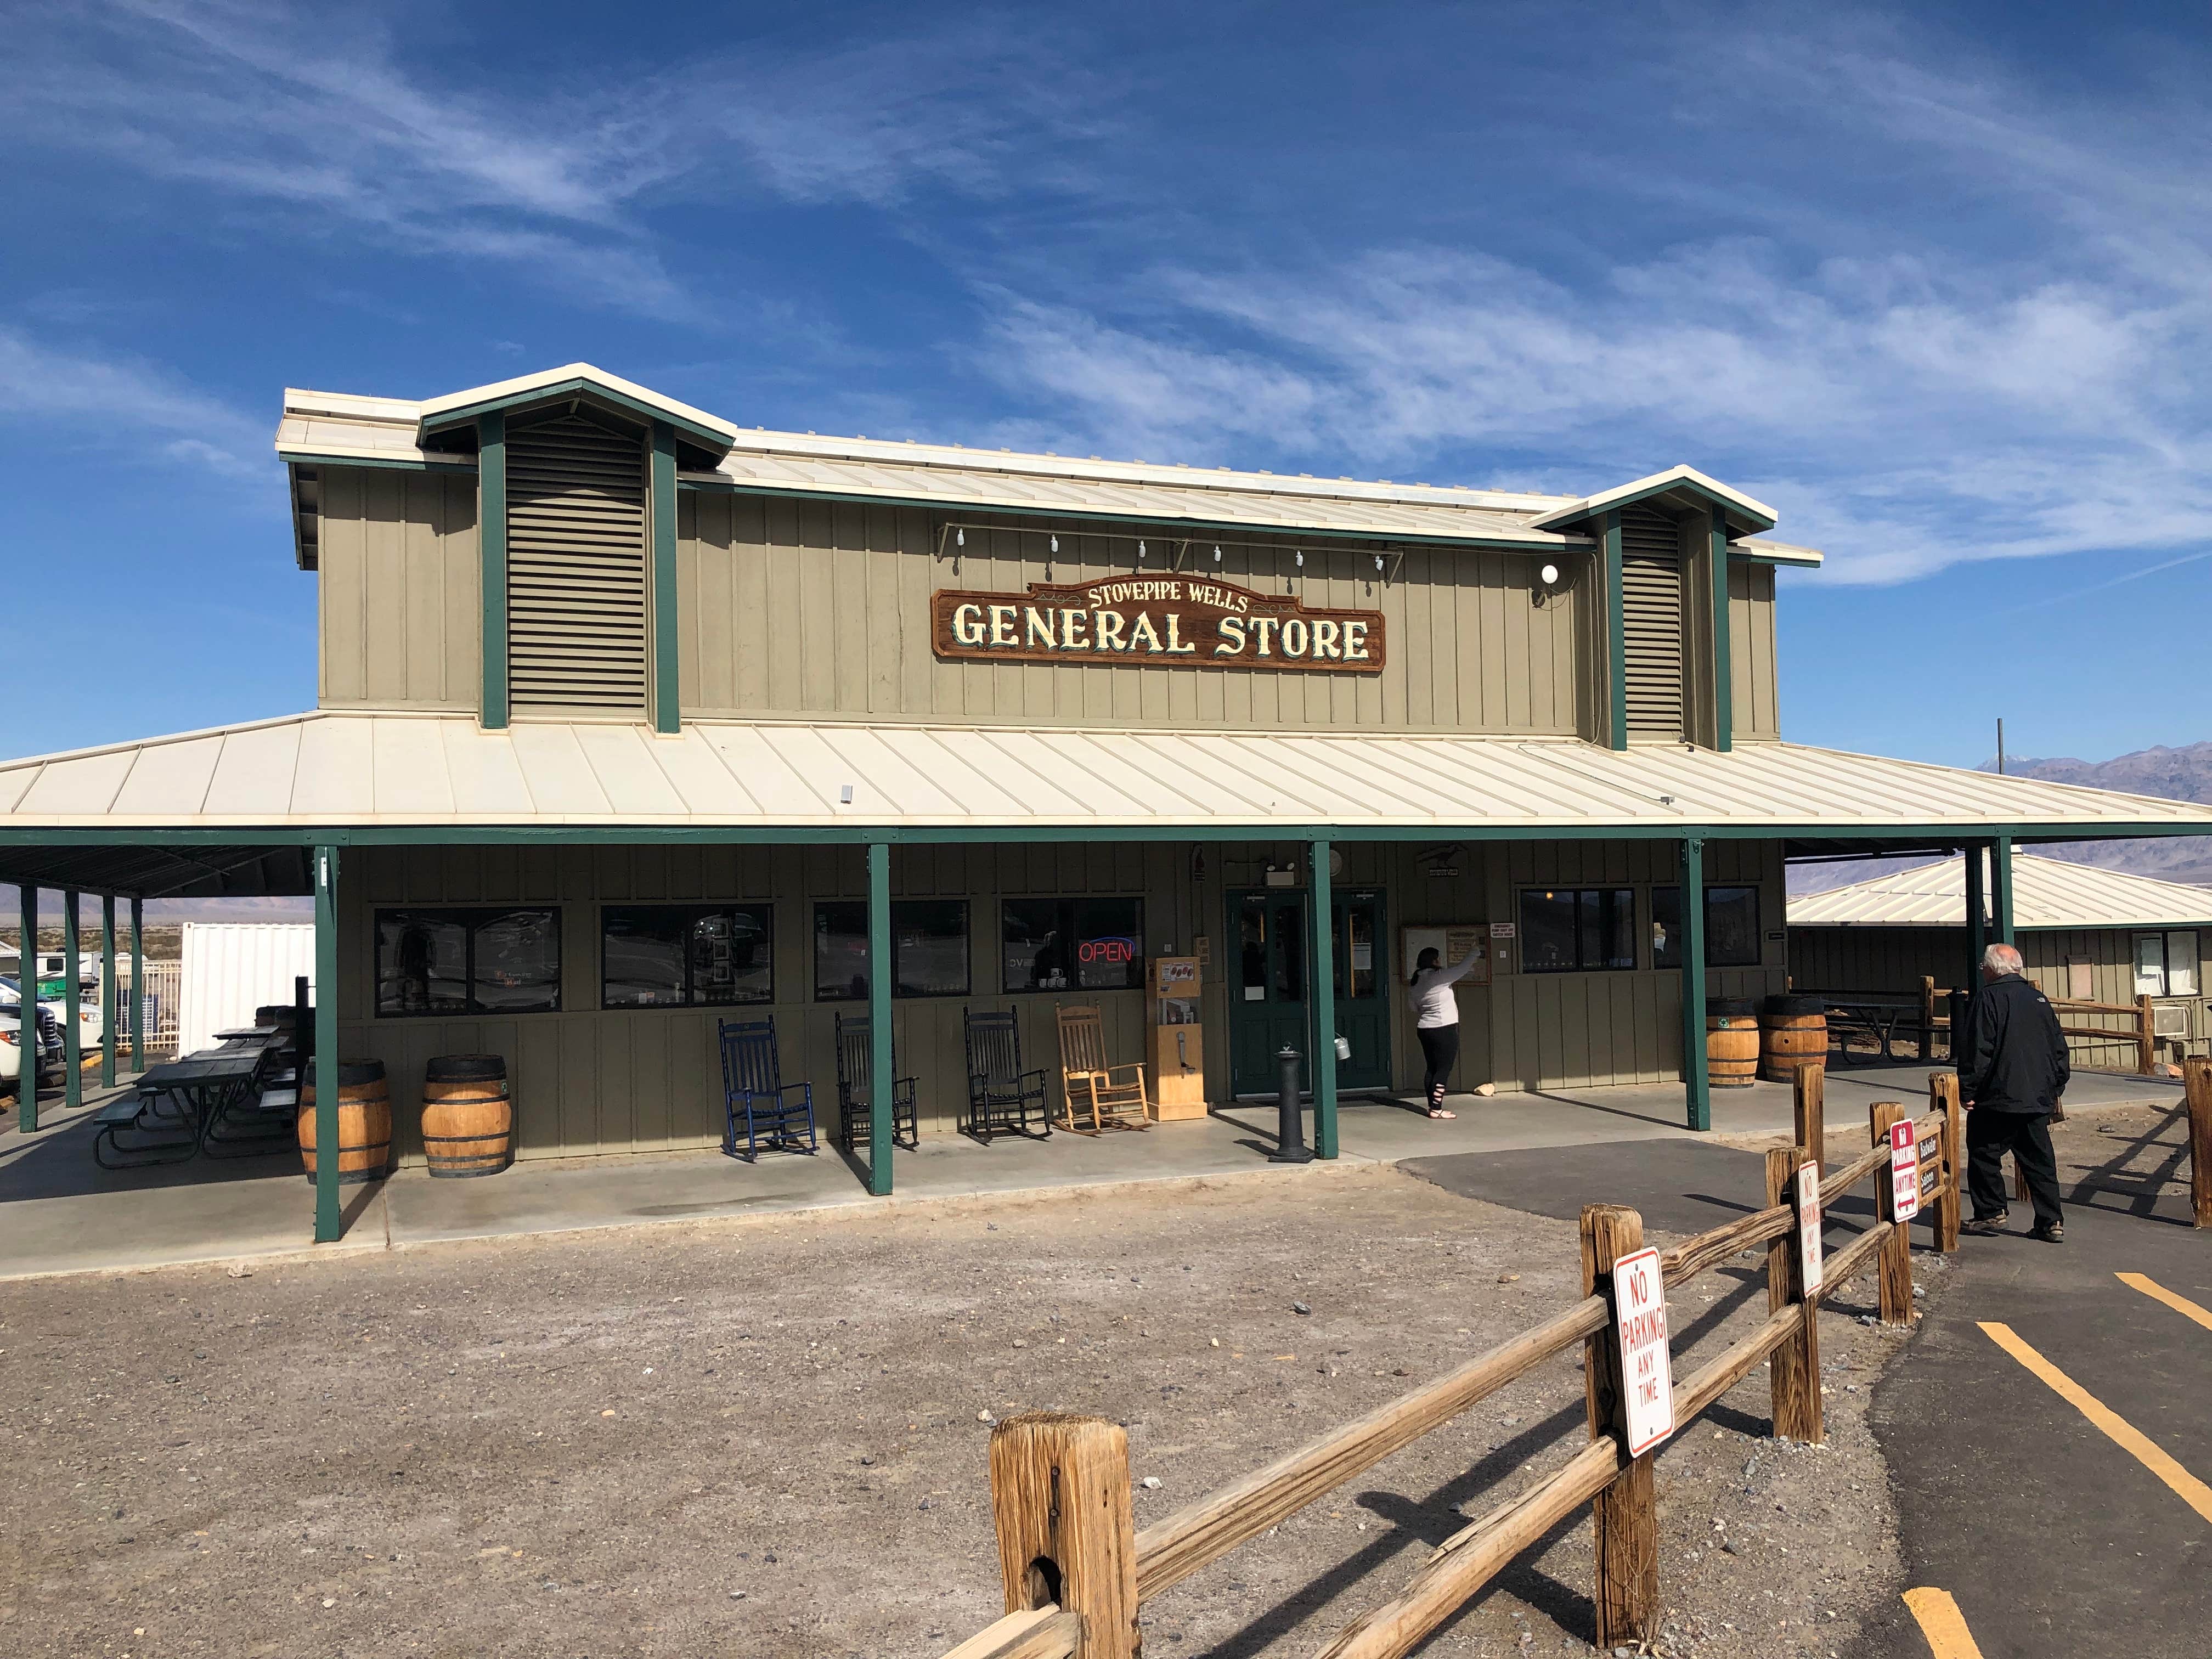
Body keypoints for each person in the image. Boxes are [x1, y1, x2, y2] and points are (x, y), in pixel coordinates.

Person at [1956, 942, 2069, 1242]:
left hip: (1998, 1098)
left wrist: (1967, 1089)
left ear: (1993, 969)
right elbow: (2059, 1048)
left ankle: (1991, 1212)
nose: (1983, 972)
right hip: (2035, 1097)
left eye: (1984, 967)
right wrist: (2055, 1086)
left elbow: (1978, 1050)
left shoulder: (1988, 1000)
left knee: (1983, 1154)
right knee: (2040, 1162)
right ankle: (2051, 1221)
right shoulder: (2039, 999)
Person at [1408, 944, 1483, 1119]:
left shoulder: (1415, 983)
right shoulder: (1439, 977)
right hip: (1444, 1029)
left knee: (1432, 1068)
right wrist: (1475, 951)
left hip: (1425, 1029)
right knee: (1443, 1070)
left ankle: (1432, 1106)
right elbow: (1463, 968)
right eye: (1438, 958)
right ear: (1434, 961)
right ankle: (1437, 1109)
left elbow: (1413, 1008)